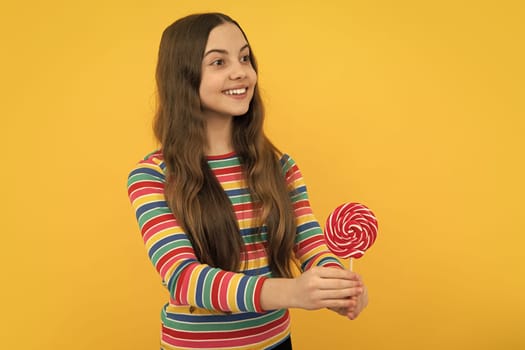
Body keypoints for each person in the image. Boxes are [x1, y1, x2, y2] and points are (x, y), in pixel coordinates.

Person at [127, 12, 368, 350]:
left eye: (244, 58)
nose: (240, 71)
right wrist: (293, 291)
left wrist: (338, 285)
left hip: (276, 342)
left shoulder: (280, 167)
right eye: (218, 62)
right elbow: (184, 279)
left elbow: (311, 246)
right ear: (183, 76)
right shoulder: (153, 176)